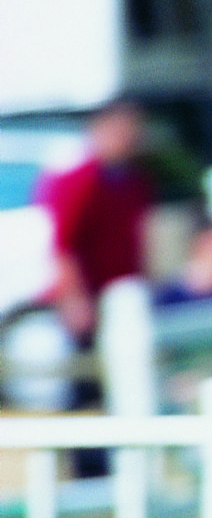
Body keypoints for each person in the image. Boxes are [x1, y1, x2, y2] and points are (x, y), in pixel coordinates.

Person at [37, 98, 152, 476]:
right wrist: (75, 300)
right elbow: (62, 245)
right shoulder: (81, 179)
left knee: (120, 383)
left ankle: (117, 466)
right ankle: (85, 472)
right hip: (86, 301)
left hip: (120, 301)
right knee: (83, 387)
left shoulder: (133, 181)